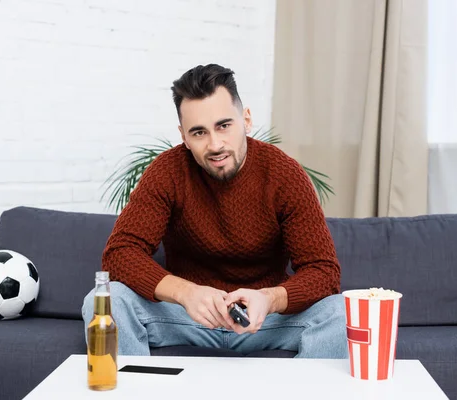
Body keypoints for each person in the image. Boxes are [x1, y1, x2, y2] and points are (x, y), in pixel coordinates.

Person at [82, 63, 348, 358]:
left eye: (224, 125)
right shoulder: (167, 171)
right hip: (185, 318)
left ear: (246, 119)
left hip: (264, 321)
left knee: (339, 312)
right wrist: (186, 293)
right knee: (104, 300)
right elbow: (119, 253)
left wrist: (268, 299)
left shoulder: (284, 174)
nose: (215, 144)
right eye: (199, 132)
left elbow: (323, 272)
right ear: (184, 136)